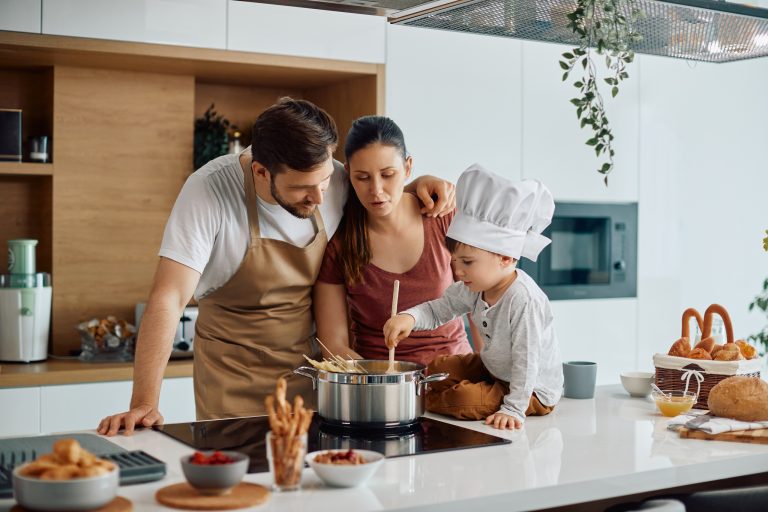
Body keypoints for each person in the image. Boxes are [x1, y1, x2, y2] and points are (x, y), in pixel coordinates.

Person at [97, 98, 456, 436]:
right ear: (261, 171)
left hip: (311, 379)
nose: (318, 199)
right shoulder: (209, 192)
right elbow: (169, 297)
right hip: (232, 384)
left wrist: (419, 185)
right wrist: (144, 402)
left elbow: (380, 191)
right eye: (302, 189)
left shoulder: (333, 179)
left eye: (326, 181)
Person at [383, 164, 563, 430]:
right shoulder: (474, 287)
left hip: (531, 389)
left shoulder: (523, 299)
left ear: (505, 257)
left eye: (467, 262)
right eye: (455, 261)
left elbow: (528, 360)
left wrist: (513, 409)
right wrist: (409, 318)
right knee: (436, 368)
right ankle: (436, 394)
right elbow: (439, 309)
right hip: (496, 370)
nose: (457, 270)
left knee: (462, 399)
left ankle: (426, 400)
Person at [314, 116, 472, 365]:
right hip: (382, 381)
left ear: (408, 168)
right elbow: (333, 346)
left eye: (388, 174)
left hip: (455, 375)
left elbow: (482, 300)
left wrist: (490, 374)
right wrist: (375, 383)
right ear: (348, 174)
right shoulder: (340, 247)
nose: (376, 190)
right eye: (362, 178)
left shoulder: (443, 218)